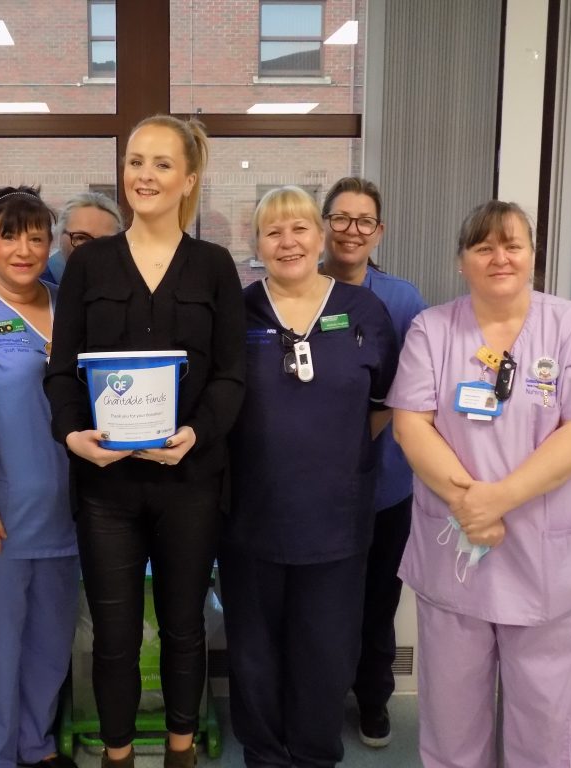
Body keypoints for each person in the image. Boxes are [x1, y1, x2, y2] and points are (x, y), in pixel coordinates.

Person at [387, 201, 571, 767]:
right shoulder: (432, 329)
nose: (500, 258)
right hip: (457, 547)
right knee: (451, 715)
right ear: (462, 260)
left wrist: (497, 501)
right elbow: (409, 425)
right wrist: (472, 505)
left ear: (532, 256)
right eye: (483, 247)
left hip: (542, 553)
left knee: (545, 720)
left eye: (512, 245)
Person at [44, 114, 245, 768]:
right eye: (136, 161)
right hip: (107, 486)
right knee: (115, 635)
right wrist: (74, 437)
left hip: (191, 480)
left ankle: (182, 753)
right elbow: (61, 371)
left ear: (189, 178)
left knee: (186, 629)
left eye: (162, 164)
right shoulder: (89, 265)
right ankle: (119, 756)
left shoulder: (215, 267)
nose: (146, 176)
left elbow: (231, 376)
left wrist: (195, 433)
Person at [221, 185, 398, 768]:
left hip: (336, 520)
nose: (287, 241)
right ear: (257, 245)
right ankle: (265, 755)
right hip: (252, 515)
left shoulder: (366, 311)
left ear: (320, 238)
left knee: (325, 651)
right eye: (273, 231)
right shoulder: (238, 311)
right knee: (254, 650)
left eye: (299, 229)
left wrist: (331, 456)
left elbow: (382, 402)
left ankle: (315, 754)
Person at [0, 186, 79, 768]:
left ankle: (37, 743)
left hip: (69, 511)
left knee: (50, 645)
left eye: (36, 235)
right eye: (9, 234)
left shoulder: (70, 306)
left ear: (51, 243)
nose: (23, 248)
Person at [318, 177, 426, 748]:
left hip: (383, 486)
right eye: (341, 218)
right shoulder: (293, 289)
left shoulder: (403, 300)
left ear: (378, 231)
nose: (351, 231)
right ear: (324, 224)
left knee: (378, 599)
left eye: (364, 221)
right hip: (310, 488)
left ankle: (374, 700)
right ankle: (318, 699)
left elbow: (411, 392)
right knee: (320, 600)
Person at [42, 191, 124, 283]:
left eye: (105, 241)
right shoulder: (37, 285)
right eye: (81, 238)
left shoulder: (129, 285)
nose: (92, 249)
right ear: (60, 236)